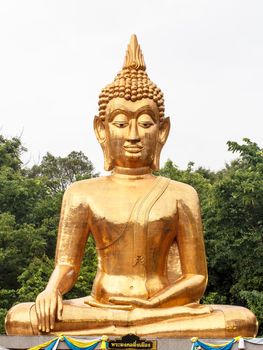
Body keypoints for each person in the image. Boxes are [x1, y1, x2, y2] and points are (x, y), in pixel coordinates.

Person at [5, 35, 258, 337]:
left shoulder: (181, 194)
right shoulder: (82, 193)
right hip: (101, 306)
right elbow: (67, 265)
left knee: (241, 320)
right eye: (121, 123)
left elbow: (195, 277)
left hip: (161, 308)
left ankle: (126, 326)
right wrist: (50, 292)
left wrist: (150, 307)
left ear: (162, 131)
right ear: (101, 129)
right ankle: (124, 325)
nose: (134, 135)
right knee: (20, 317)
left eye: (147, 123)